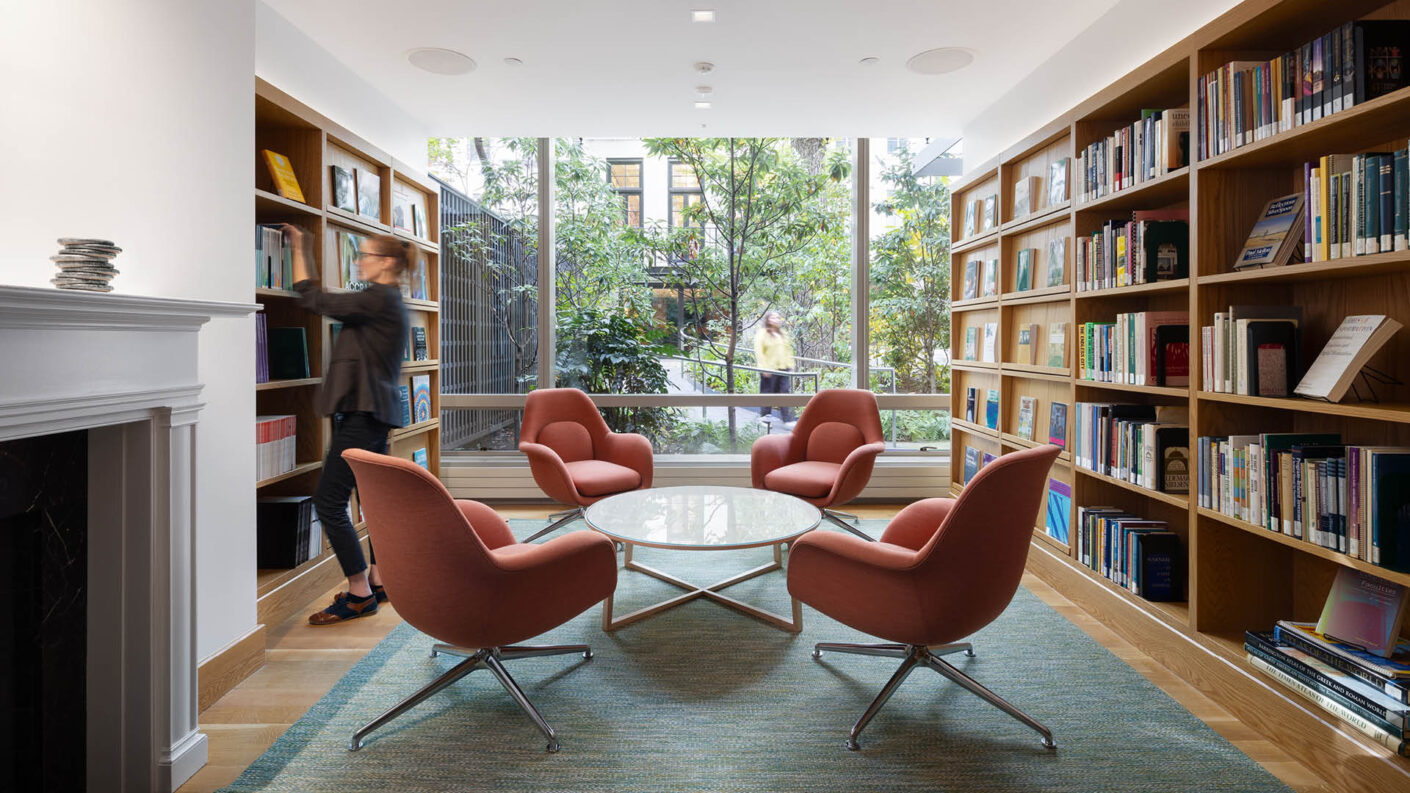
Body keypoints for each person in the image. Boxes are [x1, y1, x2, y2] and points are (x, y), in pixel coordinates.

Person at [283, 225, 410, 625]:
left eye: (366, 255)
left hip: (363, 414)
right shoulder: (387, 302)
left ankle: (359, 594)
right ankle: (380, 579)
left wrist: (300, 247)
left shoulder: (378, 299)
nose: (359, 260)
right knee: (372, 501)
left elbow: (315, 298)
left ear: (386, 263)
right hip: (370, 413)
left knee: (329, 503)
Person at [754, 310, 796, 426]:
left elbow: (788, 350)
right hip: (769, 369)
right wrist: (763, 368)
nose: (776, 320)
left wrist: (791, 364)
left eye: (778, 318)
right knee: (768, 394)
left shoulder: (782, 333)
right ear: (767, 319)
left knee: (784, 392)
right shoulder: (762, 333)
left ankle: (787, 420)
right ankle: (764, 418)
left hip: (783, 368)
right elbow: (759, 352)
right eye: (773, 318)